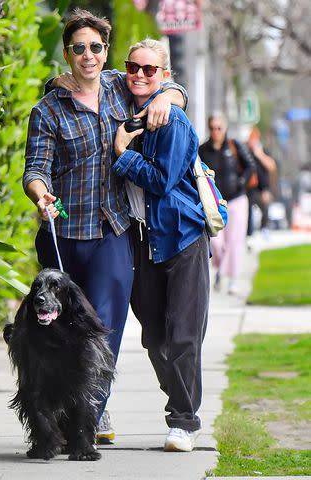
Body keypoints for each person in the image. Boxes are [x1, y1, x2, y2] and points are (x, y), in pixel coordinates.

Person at [23, 8, 187, 445]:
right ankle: (61, 407)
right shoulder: (47, 109)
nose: (89, 55)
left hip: (112, 231)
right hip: (63, 234)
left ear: (105, 50)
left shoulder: (120, 85)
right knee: (57, 326)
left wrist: (170, 98)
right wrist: (41, 196)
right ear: (67, 53)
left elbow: (165, 82)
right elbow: (35, 168)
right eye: (79, 48)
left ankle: (90, 410)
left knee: (104, 327)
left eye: (96, 47)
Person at [112, 39, 210, 453]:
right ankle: (181, 406)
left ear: (164, 75)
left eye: (150, 70)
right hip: (142, 239)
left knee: (184, 335)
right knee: (154, 337)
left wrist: (122, 152)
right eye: (133, 67)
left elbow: (161, 180)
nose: (139, 75)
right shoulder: (121, 102)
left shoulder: (172, 122)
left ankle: (184, 421)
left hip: (183, 236)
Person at [198, 113, 256, 295]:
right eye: (212, 128)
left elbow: (250, 166)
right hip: (214, 203)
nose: (216, 132)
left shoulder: (234, 145)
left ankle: (230, 279)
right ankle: (222, 270)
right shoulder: (203, 150)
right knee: (216, 242)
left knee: (234, 242)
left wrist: (241, 182)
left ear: (225, 128)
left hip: (237, 199)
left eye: (219, 128)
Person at [246, 126, 277, 238]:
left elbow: (271, 166)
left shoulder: (263, 152)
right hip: (249, 189)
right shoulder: (245, 152)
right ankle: (249, 233)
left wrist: (259, 154)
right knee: (247, 205)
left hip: (262, 189)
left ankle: (265, 227)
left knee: (265, 204)